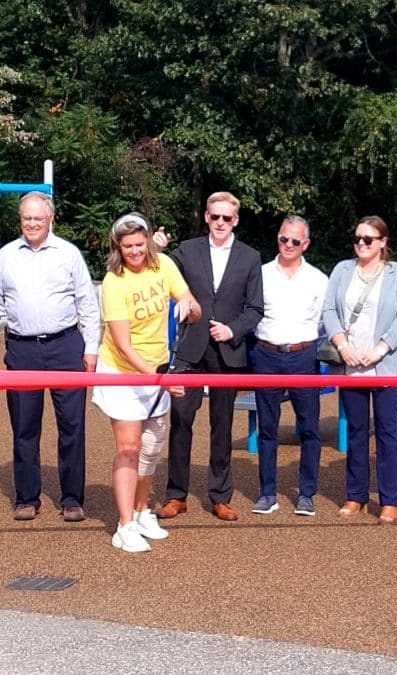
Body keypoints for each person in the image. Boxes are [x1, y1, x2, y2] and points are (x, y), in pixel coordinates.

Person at [0, 191, 101, 522]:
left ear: (50, 219)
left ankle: (73, 497)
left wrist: (91, 349)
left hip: (66, 347)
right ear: (20, 220)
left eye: (38, 218)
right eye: (26, 218)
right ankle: (26, 497)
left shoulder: (69, 254)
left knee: (72, 426)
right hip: (22, 349)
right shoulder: (6, 256)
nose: (32, 223)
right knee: (24, 427)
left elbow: (87, 305)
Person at [91, 213, 200, 552]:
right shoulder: (114, 282)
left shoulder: (164, 265)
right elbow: (123, 346)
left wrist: (187, 303)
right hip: (123, 372)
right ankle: (123, 525)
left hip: (157, 368)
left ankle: (142, 511)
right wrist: (160, 378)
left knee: (152, 446)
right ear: (117, 248)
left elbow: (193, 307)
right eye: (128, 247)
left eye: (139, 244)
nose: (135, 252)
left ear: (148, 241)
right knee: (129, 447)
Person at [156, 191, 263, 522]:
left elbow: (256, 309)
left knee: (223, 425)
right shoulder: (187, 250)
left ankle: (220, 496)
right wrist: (155, 247)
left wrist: (232, 330)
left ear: (236, 221)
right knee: (181, 422)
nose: (220, 223)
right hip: (191, 349)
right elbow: (153, 268)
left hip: (227, 352)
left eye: (226, 218)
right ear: (206, 217)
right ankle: (176, 495)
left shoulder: (250, 257)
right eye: (214, 216)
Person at [322, 216, 397, 525]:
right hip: (351, 364)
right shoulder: (342, 270)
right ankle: (356, 494)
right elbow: (329, 311)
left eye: (369, 239)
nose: (361, 243)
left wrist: (380, 349)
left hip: (385, 364)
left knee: (388, 433)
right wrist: (344, 346)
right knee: (356, 432)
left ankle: (389, 499)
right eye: (358, 237)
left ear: (383, 242)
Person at [250, 216, 328, 517]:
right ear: (278, 239)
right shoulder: (260, 275)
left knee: (310, 427)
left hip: (302, 356)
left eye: (296, 241)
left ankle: (306, 493)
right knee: (267, 429)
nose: (289, 245)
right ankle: (267, 493)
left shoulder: (319, 280)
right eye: (284, 238)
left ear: (305, 244)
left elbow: (324, 322)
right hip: (267, 354)